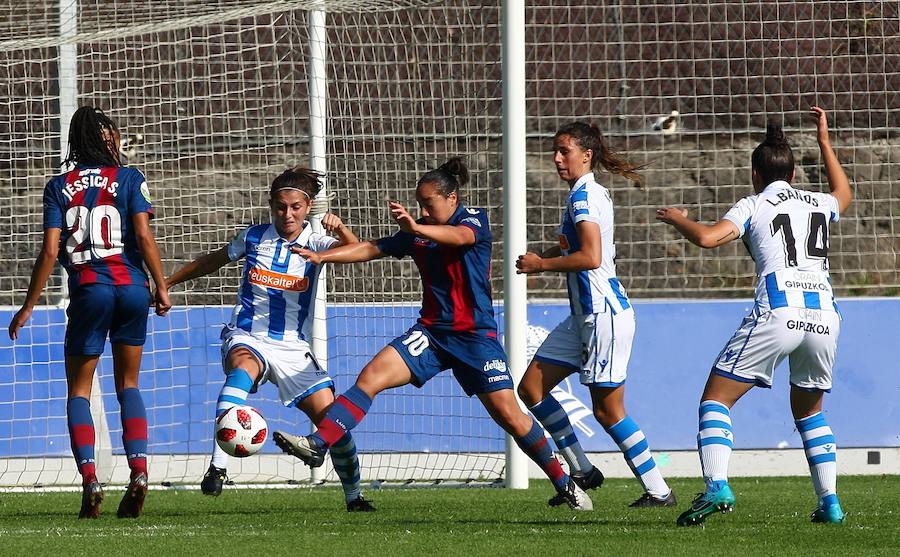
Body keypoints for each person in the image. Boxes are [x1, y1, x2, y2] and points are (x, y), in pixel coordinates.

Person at [273, 158, 593, 510]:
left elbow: (459, 237)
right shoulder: (419, 230)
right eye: (420, 204)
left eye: (429, 203)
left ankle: (565, 484)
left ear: (452, 198)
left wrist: (416, 228)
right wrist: (324, 258)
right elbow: (371, 248)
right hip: (431, 334)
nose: (423, 210)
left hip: (474, 338)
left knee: (511, 417)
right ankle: (319, 444)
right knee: (371, 377)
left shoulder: (473, 219)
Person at [657, 107, 851, 526]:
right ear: (795, 175)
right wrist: (825, 143)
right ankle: (830, 502)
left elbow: (709, 239)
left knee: (715, 399)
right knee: (810, 413)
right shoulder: (819, 203)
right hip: (825, 315)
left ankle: (716, 486)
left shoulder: (754, 204)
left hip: (779, 310)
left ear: (754, 175)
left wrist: (680, 220)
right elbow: (844, 194)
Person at [163, 165, 374, 512]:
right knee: (241, 371)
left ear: (308, 208)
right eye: (280, 206)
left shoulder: (318, 242)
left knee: (333, 421)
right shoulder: (254, 238)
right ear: (271, 205)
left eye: (295, 207)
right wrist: (166, 283)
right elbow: (210, 261)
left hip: (293, 348)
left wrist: (343, 231)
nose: (287, 214)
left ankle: (354, 498)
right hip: (249, 336)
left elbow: (361, 253)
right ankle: (217, 468)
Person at [7, 106, 172, 518]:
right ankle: (140, 471)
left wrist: (29, 305)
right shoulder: (131, 178)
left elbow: (49, 250)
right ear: (108, 139)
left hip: (90, 290)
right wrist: (161, 285)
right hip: (133, 289)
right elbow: (142, 234)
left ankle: (91, 479)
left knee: (78, 391)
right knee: (128, 386)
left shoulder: (58, 186)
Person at [515, 122, 675, 508]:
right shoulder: (582, 195)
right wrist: (543, 259)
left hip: (603, 315)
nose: (557, 158)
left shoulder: (585, 197)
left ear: (586, 155)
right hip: (582, 317)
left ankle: (658, 490)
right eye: (555, 150)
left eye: (564, 151)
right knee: (531, 389)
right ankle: (582, 470)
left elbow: (591, 257)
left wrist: (541, 266)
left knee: (607, 411)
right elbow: (580, 250)